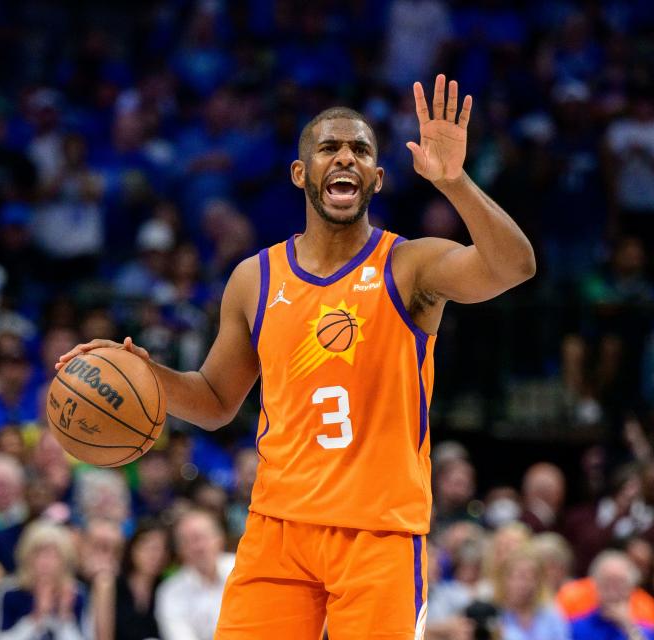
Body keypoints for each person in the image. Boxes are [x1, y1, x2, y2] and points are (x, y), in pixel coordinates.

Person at [60, 73, 535, 637]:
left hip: (377, 534)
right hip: (277, 529)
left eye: (360, 150)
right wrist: (144, 374)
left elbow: (514, 266)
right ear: (299, 172)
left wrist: (456, 184)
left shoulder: (409, 266)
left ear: (377, 179)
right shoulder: (254, 278)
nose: (345, 158)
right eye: (329, 148)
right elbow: (215, 401)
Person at [0, 521, 91, 639]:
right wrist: (35, 618)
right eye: (39, 554)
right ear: (26, 556)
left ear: (65, 560)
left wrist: (65, 617)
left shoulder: (76, 594)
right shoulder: (9, 592)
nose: (46, 562)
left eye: (54, 556)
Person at [154, 509, 234, 640]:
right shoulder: (170, 591)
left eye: (201, 537)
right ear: (179, 550)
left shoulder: (243, 569)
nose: (198, 547)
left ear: (219, 538)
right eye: (187, 541)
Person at [93, 520, 170, 640]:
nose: (154, 555)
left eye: (160, 549)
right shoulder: (108, 584)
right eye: (149, 548)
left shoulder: (167, 588)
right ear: (133, 548)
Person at [570, 551, 654, 640]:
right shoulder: (576, 627)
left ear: (631, 589)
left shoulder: (645, 628)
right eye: (607, 583)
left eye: (619, 584)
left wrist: (628, 626)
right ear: (595, 585)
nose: (612, 592)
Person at [493, 544, 570, 640]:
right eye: (519, 576)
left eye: (532, 577)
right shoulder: (494, 615)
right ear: (505, 579)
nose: (524, 584)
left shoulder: (551, 613)